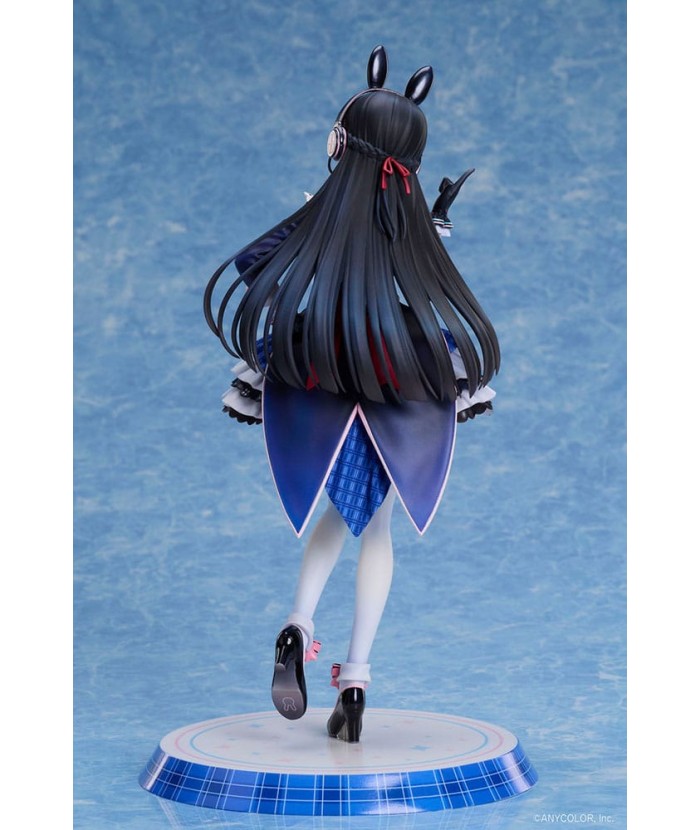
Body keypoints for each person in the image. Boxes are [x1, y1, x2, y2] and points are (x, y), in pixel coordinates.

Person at [204, 46, 499, 742]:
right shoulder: (413, 227)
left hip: (323, 365)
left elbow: (253, 265)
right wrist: (428, 230)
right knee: (377, 527)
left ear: (347, 141)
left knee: (337, 512)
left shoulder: (325, 219)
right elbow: (427, 286)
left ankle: (297, 623)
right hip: (401, 372)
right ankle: (357, 680)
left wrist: (312, 225)